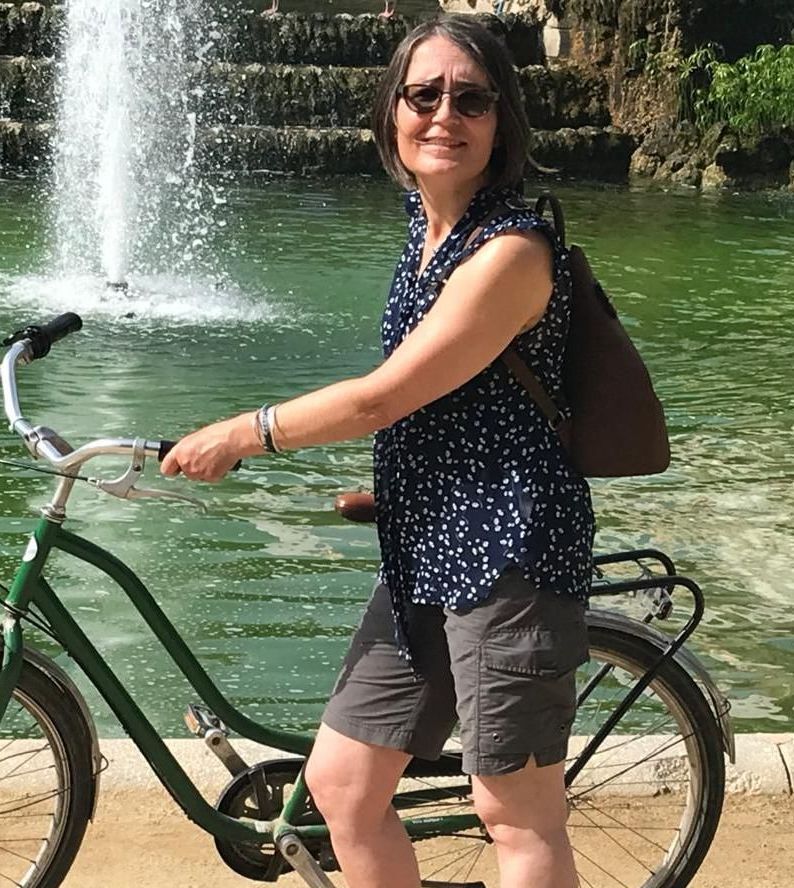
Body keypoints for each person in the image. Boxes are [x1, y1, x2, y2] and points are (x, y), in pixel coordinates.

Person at [161, 15, 594, 888]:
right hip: (423, 548)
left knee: (516, 813)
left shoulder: (509, 250)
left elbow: (386, 395)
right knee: (345, 788)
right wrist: (394, 489)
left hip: (510, 552)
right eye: (423, 95)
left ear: (502, 120)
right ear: (390, 111)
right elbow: (441, 403)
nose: (445, 115)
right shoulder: (428, 225)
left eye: (470, 99)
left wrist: (248, 431)